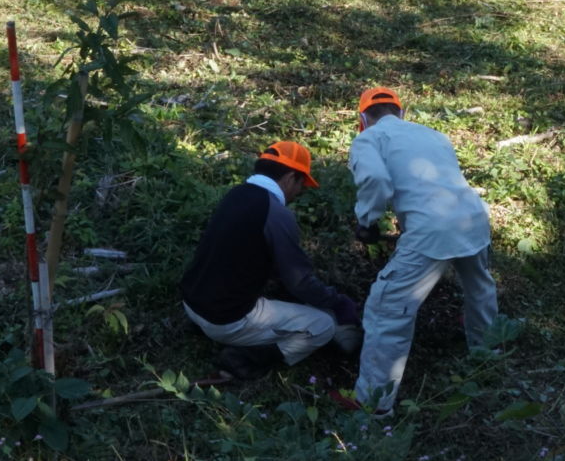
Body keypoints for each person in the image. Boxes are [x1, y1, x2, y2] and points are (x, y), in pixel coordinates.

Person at [348, 86, 498, 412]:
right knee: (480, 288)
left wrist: (367, 220)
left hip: (432, 231)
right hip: (473, 218)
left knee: (387, 309)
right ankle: (487, 355)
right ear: (402, 112)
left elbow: (375, 180)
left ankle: (372, 404)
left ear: (363, 117)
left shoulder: (368, 139)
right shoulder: (434, 135)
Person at [180, 140, 362, 380]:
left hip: (192, 304)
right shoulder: (277, 214)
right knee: (323, 326)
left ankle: (208, 328)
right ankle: (247, 358)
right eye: (301, 184)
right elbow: (300, 281)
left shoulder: (236, 194)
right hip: (225, 320)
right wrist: (336, 302)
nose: (299, 192)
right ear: (290, 178)